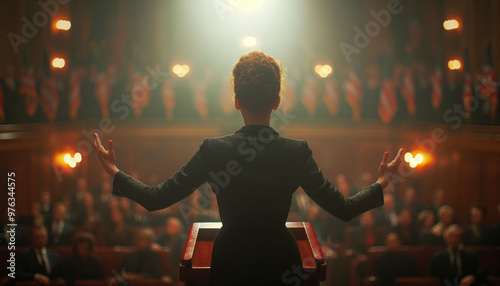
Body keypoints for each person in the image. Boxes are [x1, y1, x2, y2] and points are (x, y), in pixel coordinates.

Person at [94, 50, 403, 286]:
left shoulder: (213, 149)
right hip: (282, 263)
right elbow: (344, 208)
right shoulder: (296, 151)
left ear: (237, 101)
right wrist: (380, 184)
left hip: (230, 261)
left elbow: (155, 198)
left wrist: (114, 172)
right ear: (277, 101)